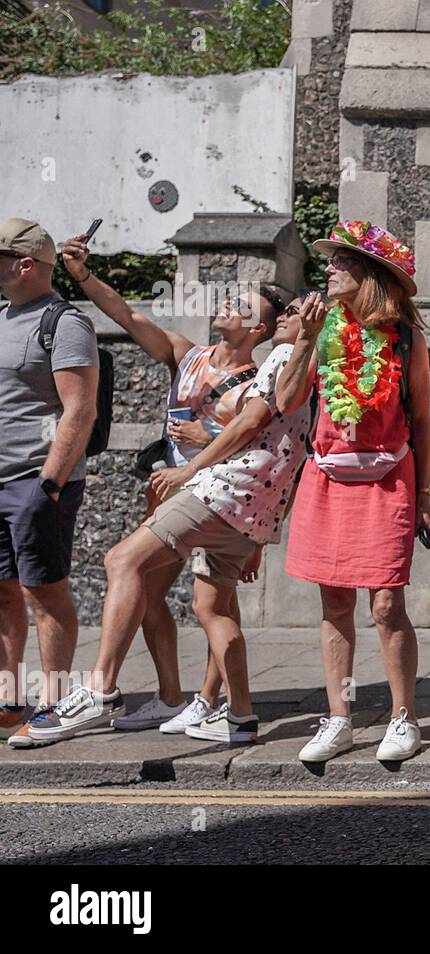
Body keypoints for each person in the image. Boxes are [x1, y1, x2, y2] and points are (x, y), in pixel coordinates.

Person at [23, 296, 313, 745]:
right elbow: (291, 451)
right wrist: (263, 531)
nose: (291, 317)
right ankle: (238, 715)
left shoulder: (283, 356)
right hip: (249, 509)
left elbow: (250, 425)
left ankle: (100, 690)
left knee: (122, 561)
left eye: (294, 312)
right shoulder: (306, 365)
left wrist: (192, 466)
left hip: (219, 490)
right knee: (212, 608)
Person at [60, 232, 281, 735]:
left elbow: (262, 453)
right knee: (142, 590)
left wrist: (256, 539)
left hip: (218, 500)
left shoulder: (258, 383)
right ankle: (169, 697)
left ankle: (213, 702)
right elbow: (129, 318)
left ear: (259, 328)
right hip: (168, 491)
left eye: (241, 305)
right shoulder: (187, 355)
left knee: (214, 602)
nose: (227, 303)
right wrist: (82, 276)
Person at [278, 222, 430, 765]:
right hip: (328, 477)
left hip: (390, 477)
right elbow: (285, 399)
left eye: (340, 262)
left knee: (388, 603)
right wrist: (303, 339)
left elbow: (420, 420)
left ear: (367, 275)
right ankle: (340, 719)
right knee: (334, 600)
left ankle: (402, 717)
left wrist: (425, 497)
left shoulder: (408, 339)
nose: (328, 269)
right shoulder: (319, 329)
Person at [0, 219, 98, 743]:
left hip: (36, 481)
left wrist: (50, 484)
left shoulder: (64, 322)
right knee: (2, 592)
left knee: (44, 593)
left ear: (24, 264)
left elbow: (79, 410)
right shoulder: (1, 316)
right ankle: (8, 701)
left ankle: (54, 705)